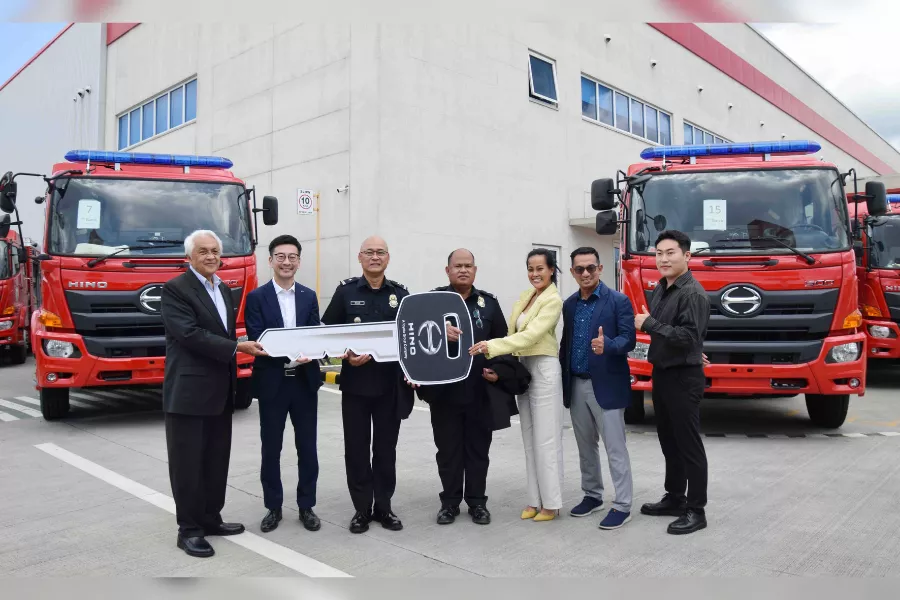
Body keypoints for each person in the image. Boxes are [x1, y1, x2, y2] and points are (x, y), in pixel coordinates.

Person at [160, 229, 267, 558]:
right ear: (189, 257)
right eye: (203, 251)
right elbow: (190, 335)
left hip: (220, 390)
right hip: (188, 392)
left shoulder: (223, 288)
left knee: (215, 460)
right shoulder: (175, 289)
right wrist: (237, 348)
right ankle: (189, 529)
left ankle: (210, 517)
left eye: (215, 251)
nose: (210, 256)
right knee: (188, 464)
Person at [321, 236, 413, 534]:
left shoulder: (401, 295)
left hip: (390, 387)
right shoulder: (345, 292)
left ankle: (384, 507)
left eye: (380, 252)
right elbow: (329, 333)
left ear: (388, 258)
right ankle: (361, 509)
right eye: (369, 252)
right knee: (357, 449)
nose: (375, 257)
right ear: (360, 258)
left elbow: (409, 338)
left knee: (386, 449)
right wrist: (345, 354)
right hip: (356, 387)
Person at [469, 248, 564, 522]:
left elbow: (530, 336)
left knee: (546, 440)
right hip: (523, 370)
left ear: (551, 270)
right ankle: (534, 500)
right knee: (529, 439)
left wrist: (491, 346)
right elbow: (513, 334)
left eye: (540, 269)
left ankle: (552, 503)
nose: (535, 274)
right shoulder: (526, 298)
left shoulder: (553, 300)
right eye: (531, 269)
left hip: (544, 367)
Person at [415, 249, 507, 525]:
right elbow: (417, 341)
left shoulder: (488, 304)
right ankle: (450, 503)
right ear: (448, 270)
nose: (463, 270)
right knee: (448, 451)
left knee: (479, 451)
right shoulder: (433, 302)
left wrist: (498, 372)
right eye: (458, 266)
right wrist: (439, 332)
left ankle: (477, 503)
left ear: (475, 270)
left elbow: (503, 344)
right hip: (445, 392)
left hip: (480, 392)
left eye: (468, 266)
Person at [245, 234, 322, 534]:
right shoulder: (256, 297)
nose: (287, 262)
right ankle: (273, 507)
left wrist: (310, 353)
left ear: (299, 261)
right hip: (273, 382)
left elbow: (315, 333)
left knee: (308, 448)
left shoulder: (308, 296)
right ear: (271, 260)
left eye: (292, 257)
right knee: (271, 449)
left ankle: (307, 506)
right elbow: (259, 336)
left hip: (304, 382)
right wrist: (292, 352)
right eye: (281, 256)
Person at [635, 230, 710, 535]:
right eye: (658, 253)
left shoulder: (692, 292)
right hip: (663, 373)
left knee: (688, 444)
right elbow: (682, 335)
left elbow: (690, 336)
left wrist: (650, 324)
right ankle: (676, 498)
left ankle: (696, 509)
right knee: (669, 442)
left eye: (670, 253)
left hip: (682, 377)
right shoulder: (662, 289)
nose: (663, 259)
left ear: (687, 256)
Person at [559, 247, 636, 530]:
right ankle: (592, 495)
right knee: (585, 446)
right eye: (579, 269)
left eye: (591, 267)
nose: (586, 273)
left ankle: (623, 505)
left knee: (615, 448)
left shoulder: (618, 301)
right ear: (572, 273)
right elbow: (565, 345)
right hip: (577, 384)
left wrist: (609, 346)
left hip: (607, 385)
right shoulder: (569, 305)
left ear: (600, 268)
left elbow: (629, 340)